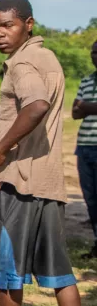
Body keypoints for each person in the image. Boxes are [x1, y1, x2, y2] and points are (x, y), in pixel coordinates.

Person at [0, 0, 95, 306]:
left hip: (18, 185)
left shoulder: (22, 63)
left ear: (28, 24)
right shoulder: (49, 58)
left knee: (10, 278)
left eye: (7, 25)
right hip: (49, 186)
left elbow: (36, 105)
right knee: (61, 275)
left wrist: (1, 151)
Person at [72, 40, 97, 259]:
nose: (94, 55)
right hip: (85, 145)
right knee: (91, 197)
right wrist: (87, 108)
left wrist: (87, 107)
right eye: (92, 51)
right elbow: (74, 112)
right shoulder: (87, 80)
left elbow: (82, 107)